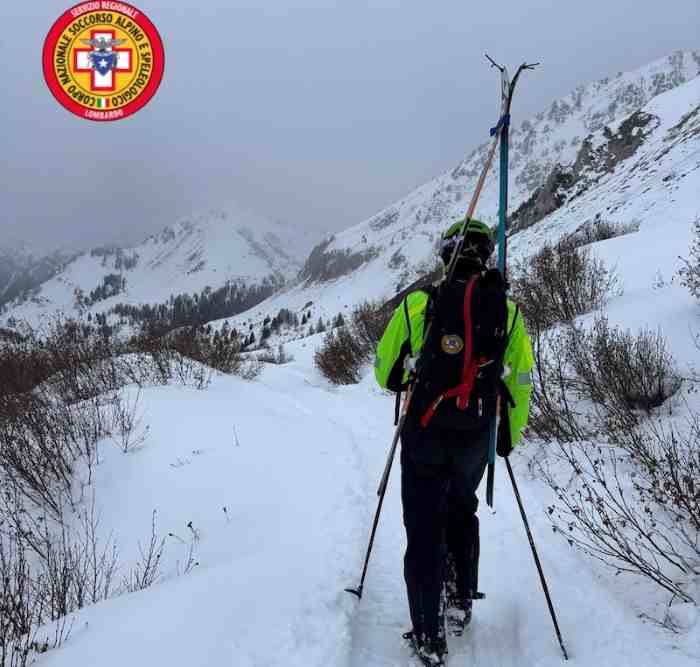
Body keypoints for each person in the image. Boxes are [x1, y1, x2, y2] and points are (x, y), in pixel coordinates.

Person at [374, 219, 534, 667]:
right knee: (461, 506)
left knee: (423, 525)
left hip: (424, 430)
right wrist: (507, 435)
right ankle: (461, 597)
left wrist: (410, 374)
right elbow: (520, 381)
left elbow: (385, 371)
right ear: (485, 257)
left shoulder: (418, 304)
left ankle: (428, 635)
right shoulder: (507, 310)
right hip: (475, 430)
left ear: (445, 255)